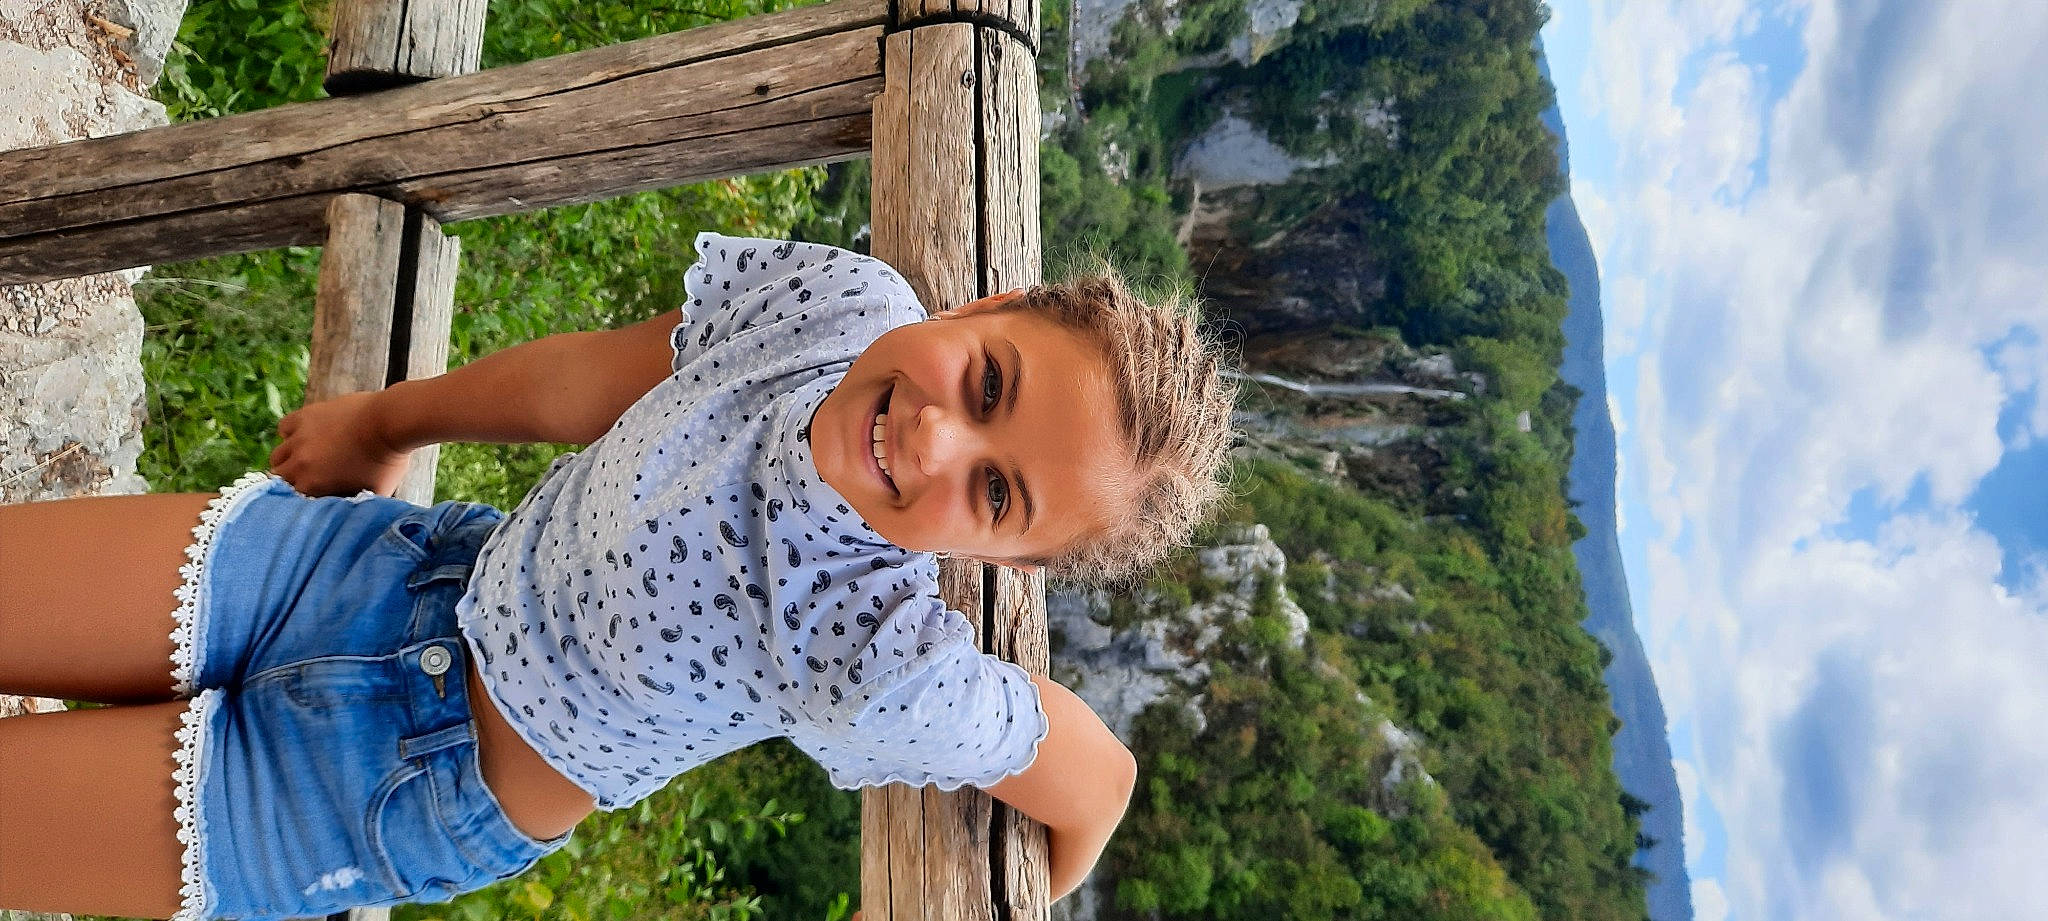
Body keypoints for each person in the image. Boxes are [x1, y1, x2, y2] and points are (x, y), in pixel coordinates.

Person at [0, 233, 1236, 921]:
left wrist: (1021, 895)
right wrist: (386, 421)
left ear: (997, 560)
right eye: (989, 382)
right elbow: (591, 381)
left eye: (998, 493)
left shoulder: (878, 657)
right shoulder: (828, 307)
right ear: (996, 302)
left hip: (393, 785)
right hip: (385, 572)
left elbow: (1097, 777)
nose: (934, 442)